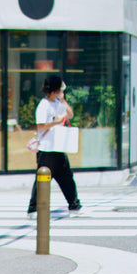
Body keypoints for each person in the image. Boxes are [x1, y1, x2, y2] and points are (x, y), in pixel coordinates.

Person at [27, 76, 82, 217]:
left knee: (67, 177)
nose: (60, 92)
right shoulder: (43, 105)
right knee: (42, 179)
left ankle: (74, 205)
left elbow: (70, 114)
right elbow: (40, 125)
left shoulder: (58, 103)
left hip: (58, 146)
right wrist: (56, 122)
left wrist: (63, 100)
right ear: (54, 90)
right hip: (46, 148)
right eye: (59, 90)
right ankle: (33, 208)